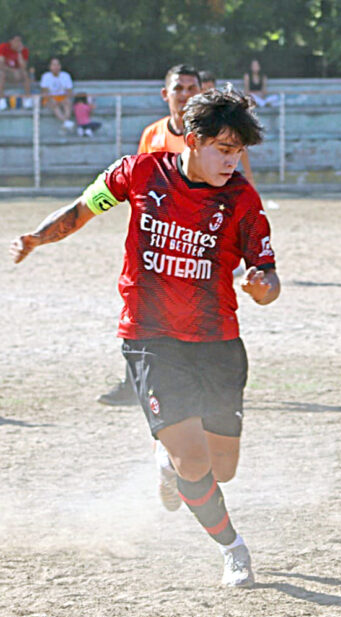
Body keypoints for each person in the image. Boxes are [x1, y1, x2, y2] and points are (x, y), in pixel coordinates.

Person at [11, 87, 280, 587]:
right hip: (150, 336)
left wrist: (263, 286)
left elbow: (267, 275)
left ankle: (168, 462)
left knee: (223, 468)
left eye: (239, 151)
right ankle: (233, 548)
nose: (232, 160)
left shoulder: (241, 197)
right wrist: (37, 236)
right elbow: (83, 208)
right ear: (193, 141)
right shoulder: (138, 172)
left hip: (218, 340)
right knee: (193, 460)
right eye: (223, 149)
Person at [97, 64, 256, 407]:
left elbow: (233, 182)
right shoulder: (151, 134)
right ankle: (135, 382)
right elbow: (140, 184)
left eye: (191, 88)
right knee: (144, 308)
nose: (184, 94)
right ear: (165, 93)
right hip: (159, 240)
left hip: (199, 240)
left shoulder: (214, 134)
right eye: (178, 88)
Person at [0, 34, 33, 110]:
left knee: (25, 74)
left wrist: (19, 53)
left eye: (20, 41)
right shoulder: (3, 47)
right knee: (1, 74)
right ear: (10, 41)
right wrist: (13, 71)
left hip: (17, 72)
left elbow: (24, 67)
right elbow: (1, 65)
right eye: (16, 41)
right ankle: (2, 100)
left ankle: (28, 99)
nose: (18, 43)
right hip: (4, 71)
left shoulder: (24, 50)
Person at [39, 57, 74, 131]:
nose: (56, 67)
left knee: (67, 102)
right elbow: (44, 92)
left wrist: (64, 99)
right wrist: (52, 99)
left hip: (62, 97)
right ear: (50, 67)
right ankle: (66, 121)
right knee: (53, 103)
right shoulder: (46, 76)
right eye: (54, 65)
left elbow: (69, 91)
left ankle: (65, 122)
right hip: (50, 98)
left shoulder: (66, 76)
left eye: (57, 65)